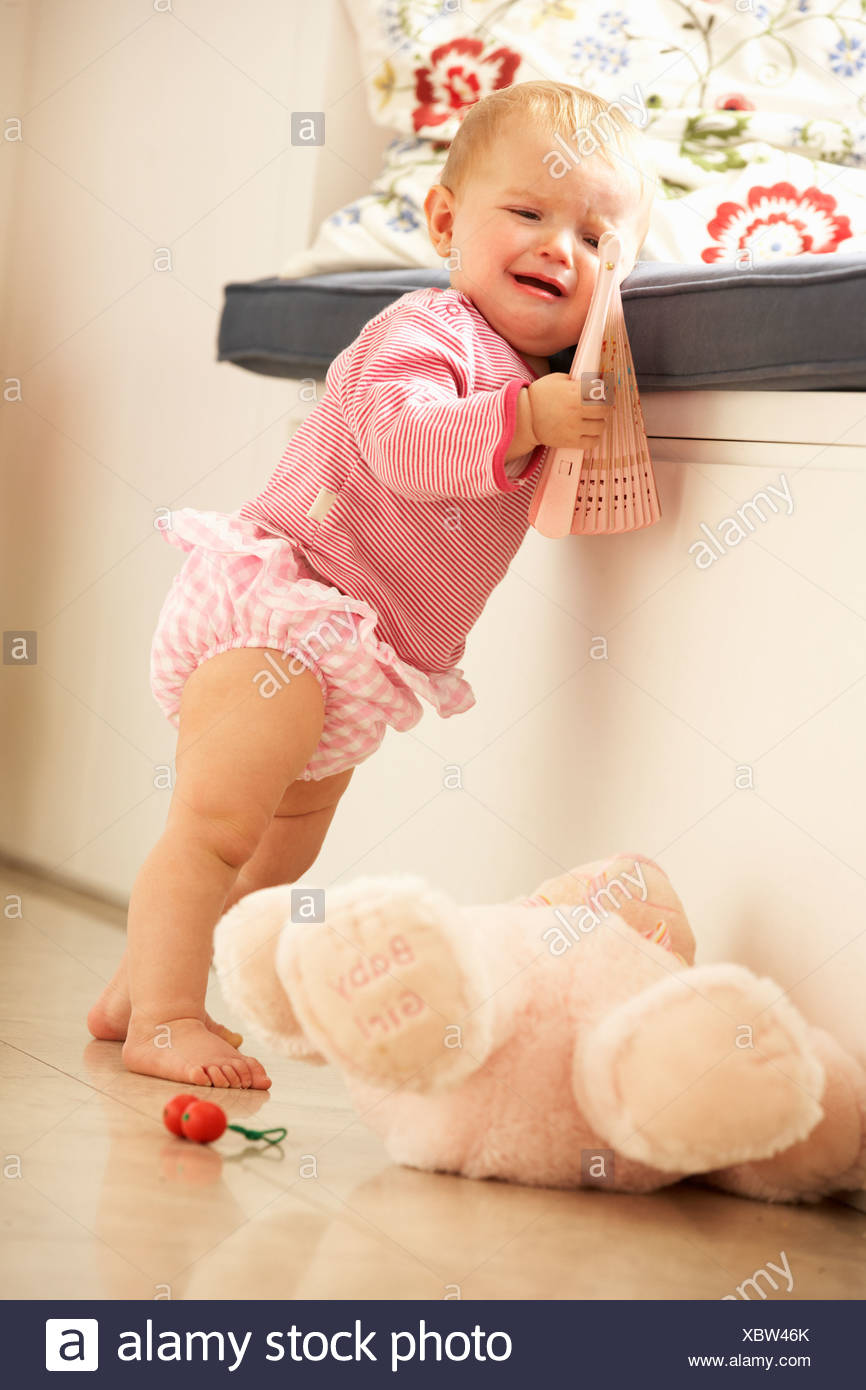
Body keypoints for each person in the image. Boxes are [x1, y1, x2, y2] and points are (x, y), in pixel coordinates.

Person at [86, 79, 656, 1088]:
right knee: (217, 829)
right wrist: (526, 420)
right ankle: (167, 1017)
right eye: (526, 212)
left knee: (277, 858)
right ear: (446, 220)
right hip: (282, 612)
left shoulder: (540, 373)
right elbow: (402, 444)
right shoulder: (424, 332)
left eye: (596, 240)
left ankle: (138, 983)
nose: (558, 248)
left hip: (366, 663)